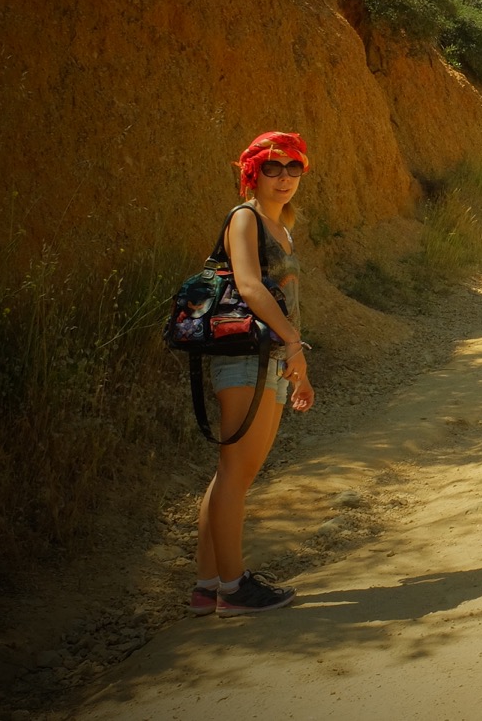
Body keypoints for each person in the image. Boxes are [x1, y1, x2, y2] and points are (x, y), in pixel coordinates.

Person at [189, 131, 316, 617]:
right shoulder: (245, 218)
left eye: (293, 167)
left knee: (232, 474)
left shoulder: (281, 225)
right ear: (253, 173)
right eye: (272, 168)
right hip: (246, 355)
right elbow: (249, 288)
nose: (284, 177)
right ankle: (233, 588)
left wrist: (296, 362)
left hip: (272, 357)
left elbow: (286, 298)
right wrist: (293, 344)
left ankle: (207, 586)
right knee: (235, 473)